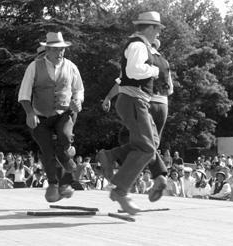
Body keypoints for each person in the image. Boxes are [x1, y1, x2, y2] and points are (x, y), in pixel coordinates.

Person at [95, 11, 167, 214]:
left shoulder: (138, 45)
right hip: (134, 100)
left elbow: (124, 77)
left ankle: (111, 156)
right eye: (157, 29)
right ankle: (120, 190)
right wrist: (154, 71)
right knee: (147, 148)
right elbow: (134, 72)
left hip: (135, 100)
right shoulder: (138, 45)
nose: (158, 34)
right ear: (151, 28)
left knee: (147, 144)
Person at [18, 32, 84, 202]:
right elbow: (24, 93)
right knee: (47, 151)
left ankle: (67, 153)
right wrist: (30, 113)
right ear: (47, 49)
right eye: (55, 49)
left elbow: (79, 89)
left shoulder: (71, 67)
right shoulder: (34, 66)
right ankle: (55, 184)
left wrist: (78, 101)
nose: (59, 52)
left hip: (64, 113)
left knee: (64, 136)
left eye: (62, 49)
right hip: (40, 116)